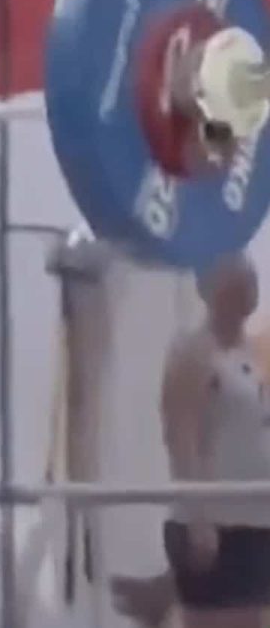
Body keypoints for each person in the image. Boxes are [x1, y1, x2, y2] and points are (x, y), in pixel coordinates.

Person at [141, 252, 270, 628]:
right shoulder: (194, 352)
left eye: (252, 282)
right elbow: (181, 436)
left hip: (255, 521)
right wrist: (199, 518)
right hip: (216, 525)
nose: (249, 291)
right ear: (214, 291)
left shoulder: (253, 352)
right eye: (238, 283)